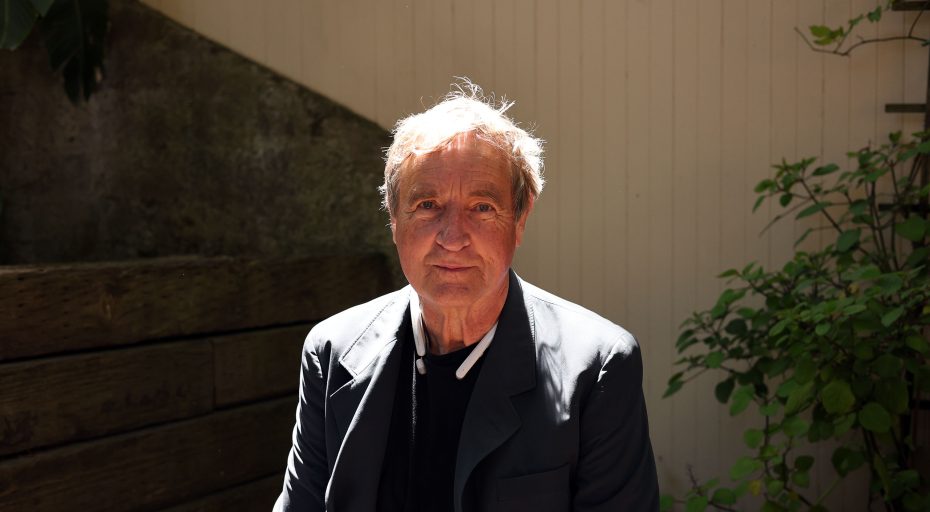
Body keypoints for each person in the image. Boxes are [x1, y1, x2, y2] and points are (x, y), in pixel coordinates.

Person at [273, 82, 659, 512]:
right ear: (393, 217)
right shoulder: (332, 351)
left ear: (521, 216)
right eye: (426, 205)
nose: (452, 237)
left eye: (481, 207)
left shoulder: (597, 366)